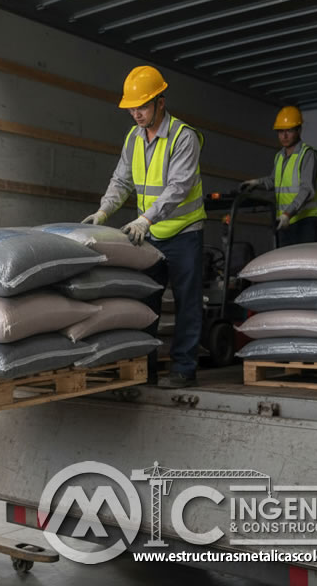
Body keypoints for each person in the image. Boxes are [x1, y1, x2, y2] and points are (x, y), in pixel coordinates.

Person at [82, 66, 205, 389]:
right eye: (132, 108)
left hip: (183, 234)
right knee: (144, 304)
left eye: (143, 106)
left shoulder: (183, 137)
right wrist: (104, 211)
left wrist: (144, 219)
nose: (136, 113)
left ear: (160, 102)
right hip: (148, 235)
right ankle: (143, 369)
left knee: (187, 303)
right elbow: (122, 180)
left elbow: (178, 187)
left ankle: (183, 368)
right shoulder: (134, 138)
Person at [240, 105, 317, 247]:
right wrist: (256, 183)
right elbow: (273, 180)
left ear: (299, 130)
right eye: (280, 131)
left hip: (306, 220)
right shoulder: (279, 157)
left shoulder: (308, 154)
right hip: (285, 220)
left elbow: (307, 189)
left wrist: (287, 214)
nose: (284, 136)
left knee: (301, 263)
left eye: (288, 131)